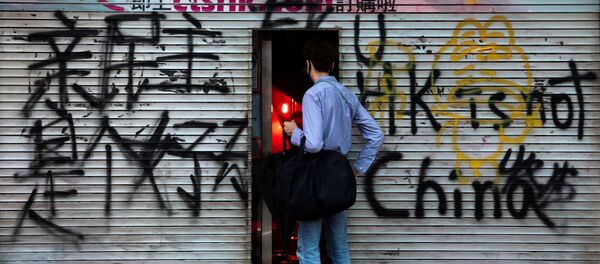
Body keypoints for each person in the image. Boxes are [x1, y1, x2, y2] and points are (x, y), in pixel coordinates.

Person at [283, 39, 384, 264]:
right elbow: (376, 134)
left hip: (314, 177)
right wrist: (358, 167)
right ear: (333, 64)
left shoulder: (313, 94)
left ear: (308, 64)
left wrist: (295, 131)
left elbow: (315, 145)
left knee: (308, 249)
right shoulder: (346, 94)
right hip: (338, 175)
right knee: (338, 247)